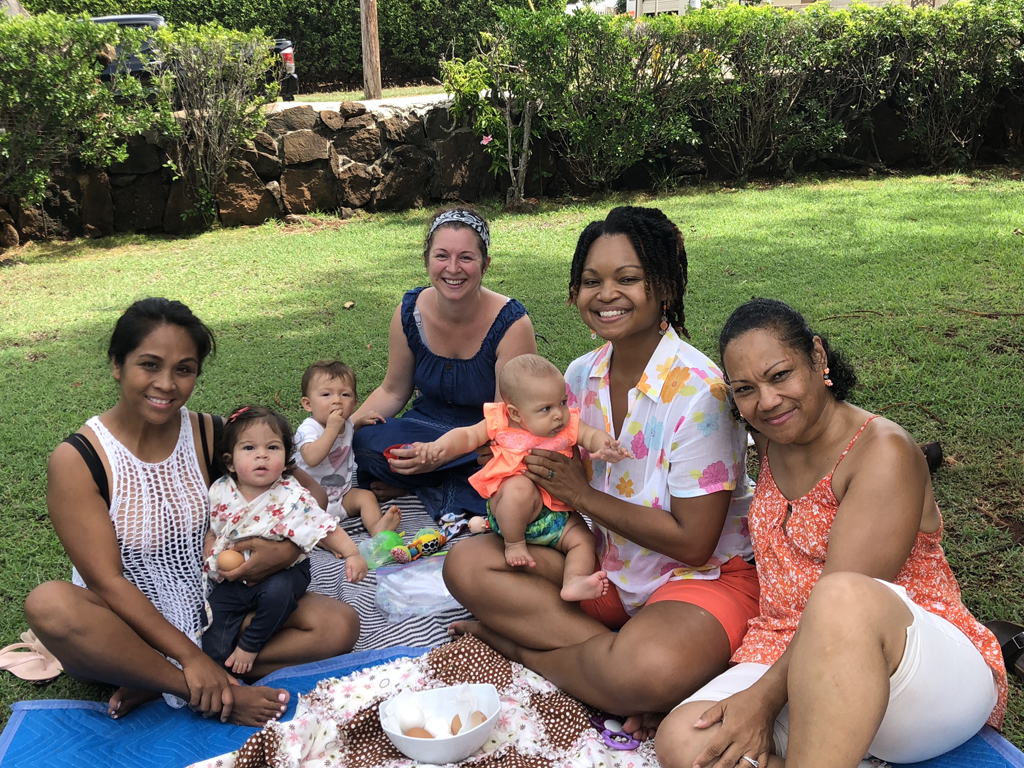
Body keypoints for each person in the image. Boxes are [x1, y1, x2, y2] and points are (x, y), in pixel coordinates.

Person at [443, 206, 759, 739]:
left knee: (646, 669)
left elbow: (695, 544)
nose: (605, 293)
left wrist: (580, 495)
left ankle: (519, 649)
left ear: (664, 287)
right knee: (467, 563)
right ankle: (610, 672)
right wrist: (518, 463)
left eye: (627, 278)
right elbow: (558, 469)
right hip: (605, 569)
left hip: (700, 580)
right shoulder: (578, 376)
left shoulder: (701, 392)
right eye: (591, 281)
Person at [654, 298, 1006, 768]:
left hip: (910, 672)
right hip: (789, 656)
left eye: (780, 375)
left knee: (840, 596)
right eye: (745, 389)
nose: (768, 400)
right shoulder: (771, 436)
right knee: (684, 740)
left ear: (817, 357)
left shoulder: (883, 451)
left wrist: (760, 700)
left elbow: (847, 604)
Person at [23, 298, 359, 726]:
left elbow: (308, 494)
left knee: (339, 624)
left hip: (212, 603)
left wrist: (288, 550)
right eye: (149, 365)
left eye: (183, 369)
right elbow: (106, 582)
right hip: (122, 624)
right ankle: (195, 685)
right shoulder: (81, 459)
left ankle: (162, 678)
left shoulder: (209, 434)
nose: (166, 384)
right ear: (116, 365)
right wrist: (188, 659)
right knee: (50, 605)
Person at [351, 207, 537, 521]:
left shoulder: (512, 324)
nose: (453, 268)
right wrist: (343, 430)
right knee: (366, 441)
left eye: (466, 257)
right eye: (441, 256)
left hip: (484, 436)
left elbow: (508, 417)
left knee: (507, 462)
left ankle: (428, 479)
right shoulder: (409, 312)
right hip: (425, 426)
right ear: (427, 261)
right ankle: (447, 482)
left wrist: (441, 453)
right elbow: (393, 391)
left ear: (485, 264)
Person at [413, 354, 630, 601]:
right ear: (515, 413)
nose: (559, 414)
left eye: (562, 402)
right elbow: (467, 436)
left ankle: (574, 581)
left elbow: (590, 435)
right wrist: (440, 447)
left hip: (555, 517)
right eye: (546, 409)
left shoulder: (566, 425)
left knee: (583, 539)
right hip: (510, 513)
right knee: (520, 487)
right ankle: (514, 544)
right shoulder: (501, 422)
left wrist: (606, 446)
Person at [203, 406, 367, 676]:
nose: (261, 455)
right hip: (235, 577)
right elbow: (214, 528)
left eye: (273, 447)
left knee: (277, 595)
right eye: (248, 448)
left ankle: (250, 645)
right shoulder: (221, 490)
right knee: (212, 614)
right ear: (230, 462)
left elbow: (323, 526)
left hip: (285, 572)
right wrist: (210, 546)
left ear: (287, 458)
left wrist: (351, 554)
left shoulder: (291, 494)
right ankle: (217, 668)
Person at [293, 360, 401, 535]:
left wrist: (358, 423)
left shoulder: (346, 424)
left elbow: (344, 438)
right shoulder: (309, 428)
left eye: (345, 395)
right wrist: (331, 429)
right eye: (326, 395)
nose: (337, 400)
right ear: (308, 404)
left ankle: (376, 528)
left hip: (341, 495)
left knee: (366, 497)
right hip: (309, 501)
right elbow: (311, 459)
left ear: (355, 403)